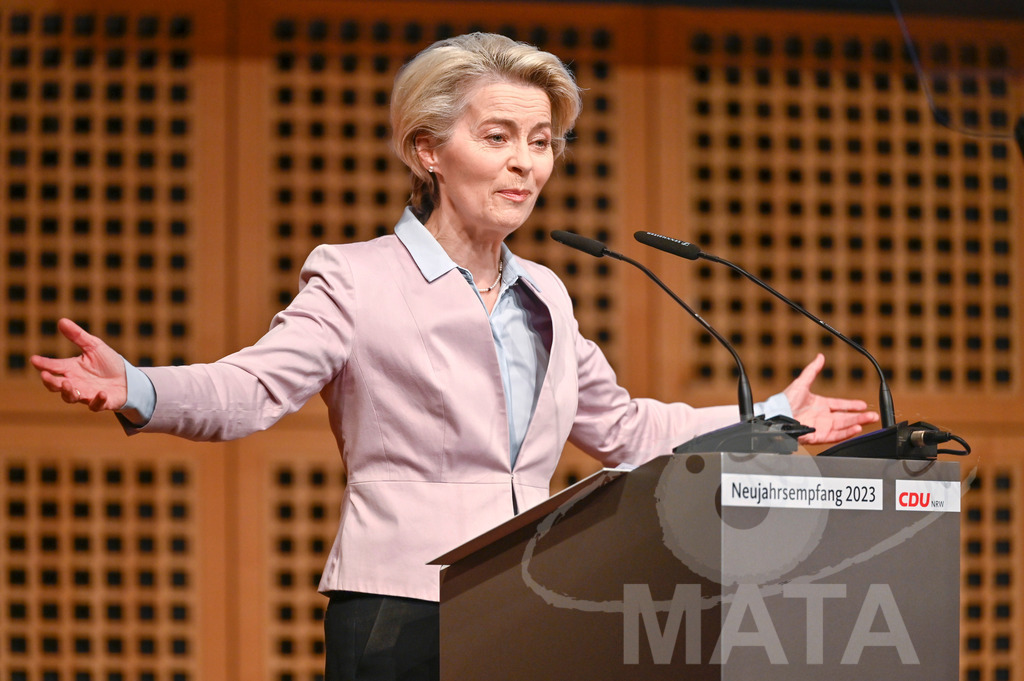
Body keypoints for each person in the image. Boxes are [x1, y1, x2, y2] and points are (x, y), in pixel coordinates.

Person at [31, 32, 878, 681]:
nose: (525, 162)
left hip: (534, 599)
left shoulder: (548, 291)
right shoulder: (355, 276)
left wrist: (769, 418)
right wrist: (139, 386)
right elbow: (249, 389)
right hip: (404, 611)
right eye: (499, 135)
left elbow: (622, 429)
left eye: (541, 141)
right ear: (427, 150)